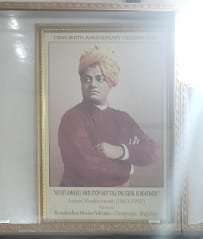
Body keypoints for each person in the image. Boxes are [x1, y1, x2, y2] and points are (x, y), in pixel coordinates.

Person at [57, 47, 159, 187]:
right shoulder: (72, 118)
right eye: (87, 79)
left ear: (110, 82)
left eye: (100, 79)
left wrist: (120, 151)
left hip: (120, 198)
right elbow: (86, 167)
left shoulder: (123, 119)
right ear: (81, 82)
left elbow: (153, 151)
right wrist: (128, 165)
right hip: (80, 199)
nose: (93, 84)